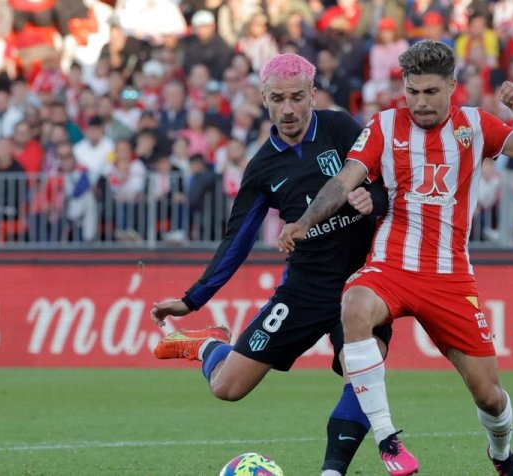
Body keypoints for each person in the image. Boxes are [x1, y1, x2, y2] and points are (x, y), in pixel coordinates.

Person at [277, 40, 513, 476]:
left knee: (489, 395)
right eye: (413, 91)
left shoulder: (475, 125)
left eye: (430, 92)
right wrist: (305, 221)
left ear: (452, 87)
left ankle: (502, 455)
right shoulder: (384, 126)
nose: (420, 102)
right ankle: (387, 437)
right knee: (354, 305)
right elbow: (344, 179)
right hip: (392, 265)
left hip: (450, 276)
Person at [149, 53, 392, 476]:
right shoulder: (262, 167)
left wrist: (375, 201)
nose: (289, 109)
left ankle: (331, 471)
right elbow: (236, 242)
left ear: (313, 94)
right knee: (227, 387)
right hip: (305, 287)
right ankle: (206, 344)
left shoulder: (341, 129)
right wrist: (191, 300)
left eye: (297, 97)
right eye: (278, 98)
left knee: (362, 373)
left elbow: (390, 186)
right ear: (264, 99)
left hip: (364, 283)